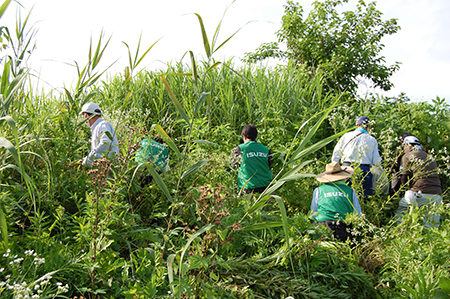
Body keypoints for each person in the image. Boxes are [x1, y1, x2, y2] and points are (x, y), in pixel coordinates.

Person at [395, 136, 443, 228]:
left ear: (408, 145)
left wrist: (395, 191)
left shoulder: (408, 156)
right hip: (437, 196)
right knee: (431, 227)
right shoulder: (430, 156)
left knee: (402, 209)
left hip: (419, 193)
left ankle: (397, 232)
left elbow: (404, 178)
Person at [332, 116, 382, 200]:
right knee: (364, 198)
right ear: (369, 128)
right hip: (364, 170)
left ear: (356, 125)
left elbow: (336, 154)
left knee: (345, 196)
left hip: (346, 168)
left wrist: (335, 169)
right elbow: (376, 162)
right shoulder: (372, 139)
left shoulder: (346, 136)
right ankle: (362, 212)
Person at [311, 162, 362, 241]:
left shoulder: (318, 190)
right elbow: (357, 214)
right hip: (344, 227)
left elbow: (313, 213)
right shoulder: (350, 191)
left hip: (323, 227)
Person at [231, 124, 273, 194]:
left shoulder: (241, 148)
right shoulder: (265, 149)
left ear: (244, 137)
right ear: (256, 137)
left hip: (248, 189)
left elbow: (231, 164)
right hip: (267, 188)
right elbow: (270, 164)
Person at [79, 102, 119, 168]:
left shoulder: (103, 125)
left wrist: (89, 158)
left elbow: (105, 142)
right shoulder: (97, 127)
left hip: (109, 167)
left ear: (86, 115)